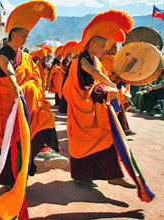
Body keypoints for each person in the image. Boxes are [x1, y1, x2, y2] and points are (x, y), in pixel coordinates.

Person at [0, 1, 68, 187]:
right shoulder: (3, 54)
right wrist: (17, 85)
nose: (25, 39)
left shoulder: (25, 56)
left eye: (27, 35)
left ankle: (44, 150)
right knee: (13, 142)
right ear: (12, 34)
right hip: (9, 107)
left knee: (44, 116)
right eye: (23, 35)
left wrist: (30, 88)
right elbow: (9, 70)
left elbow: (35, 75)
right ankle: (11, 180)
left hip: (26, 103)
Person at [63, 10, 136, 188]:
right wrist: (109, 84)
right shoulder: (82, 59)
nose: (104, 49)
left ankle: (113, 175)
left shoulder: (96, 60)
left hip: (95, 107)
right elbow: (94, 75)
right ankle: (86, 176)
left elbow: (100, 75)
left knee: (106, 138)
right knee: (102, 138)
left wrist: (113, 82)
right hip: (84, 110)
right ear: (92, 44)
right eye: (102, 46)